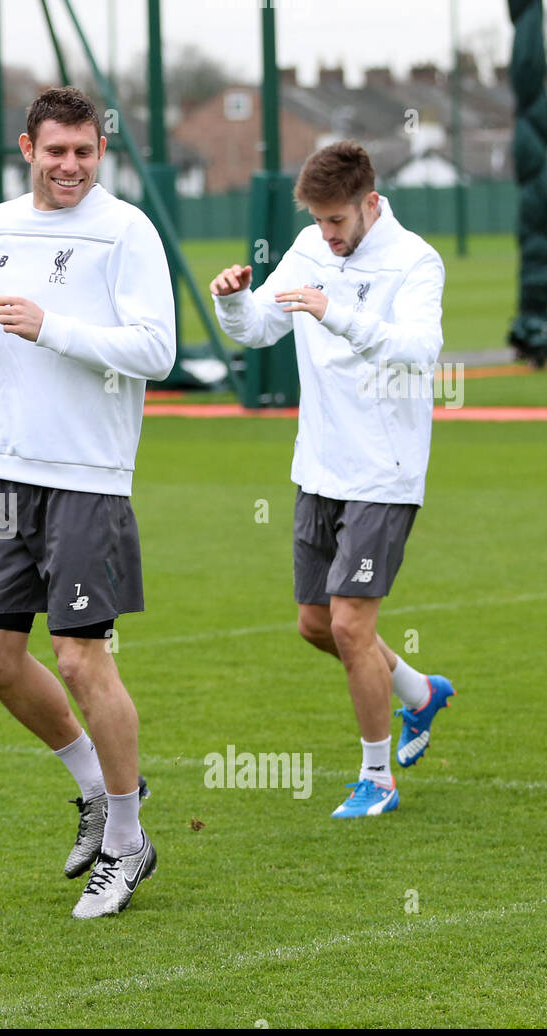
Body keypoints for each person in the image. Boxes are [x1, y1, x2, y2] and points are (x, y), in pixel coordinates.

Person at [0, 87, 176, 917]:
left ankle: (129, 839)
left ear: (99, 152)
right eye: (55, 151)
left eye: (85, 152)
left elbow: (158, 349)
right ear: (27, 146)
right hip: (4, 469)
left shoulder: (127, 230)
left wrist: (53, 325)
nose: (70, 166)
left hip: (87, 475)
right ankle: (95, 790)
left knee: (80, 657)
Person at [209, 140, 455, 819]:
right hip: (318, 466)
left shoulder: (415, 261)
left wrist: (335, 312)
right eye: (318, 221)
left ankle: (377, 778)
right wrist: (233, 301)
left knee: (350, 624)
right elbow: (260, 325)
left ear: (370, 203)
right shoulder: (311, 247)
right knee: (316, 624)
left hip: (385, 470)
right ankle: (419, 692)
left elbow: (419, 351)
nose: (327, 234)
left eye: (337, 221)